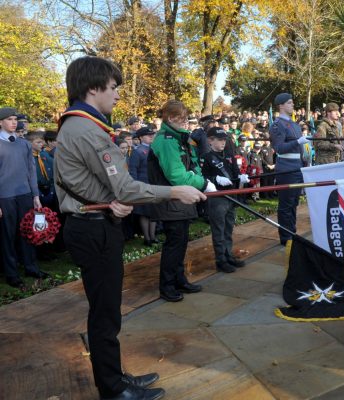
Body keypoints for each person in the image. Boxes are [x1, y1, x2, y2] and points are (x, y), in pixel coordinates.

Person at [54, 56, 205, 400]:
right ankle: (113, 389)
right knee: (105, 315)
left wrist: (109, 201)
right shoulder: (86, 129)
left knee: (107, 312)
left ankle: (116, 378)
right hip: (93, 231)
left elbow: (89, 184)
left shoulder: (80, 126)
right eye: (113, 88)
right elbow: (124, 186)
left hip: (95, 221)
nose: (117, 96)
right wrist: (174, 191)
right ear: (93, 88)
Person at [147, 100, 215, 303]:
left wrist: (200, 179)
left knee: (181, 242)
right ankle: (167, 286)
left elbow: (192, 165)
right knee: (174, 244)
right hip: (171, 199)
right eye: (182, 118)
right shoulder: (166, 140)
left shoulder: (178, 138)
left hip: (180, 199)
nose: (186, 122)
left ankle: (179, 279)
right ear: (170, 118)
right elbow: (176, 176)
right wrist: (203, 183)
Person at [0, 107, 48, 288]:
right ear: (0, 122)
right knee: (8, 235)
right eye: (10, 119)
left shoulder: (24, 144)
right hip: (4, 197)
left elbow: (31, 171)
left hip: (25, 195)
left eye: (15, 119)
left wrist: (35, 195)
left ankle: (31, 266)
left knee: (28, 232)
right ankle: (11, 273)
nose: (14, 122)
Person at [201, 127, 250, 272]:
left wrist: (241, 177)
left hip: (231, 196)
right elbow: (201, 177)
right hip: (217, 198)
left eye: (224, 140)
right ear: (210, 140)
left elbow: (235, 172)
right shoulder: (206, 157)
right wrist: (215, 178)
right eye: (220, 140)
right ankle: (220, 260)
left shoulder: (229, 155)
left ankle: (228, 255)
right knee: (219, 230)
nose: (223, 142)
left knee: (228, 229)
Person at [269, 93, 307, 245]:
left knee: (294, 204)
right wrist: (297, 141)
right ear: (281, 106)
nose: (293, 105)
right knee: (286, 205)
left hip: (297, 167)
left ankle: (292, 232)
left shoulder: (294, 124)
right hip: (286, 169)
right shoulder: (277, 125)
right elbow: (279, 148)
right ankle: (286, 237)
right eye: (289, 103)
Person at [129, 127, 159, 246]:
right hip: (142, 184)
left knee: (154, 211)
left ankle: (153, 236)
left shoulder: (155, 149)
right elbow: (133, 170)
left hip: (154, 184)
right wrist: (136, 186)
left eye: (152, 134)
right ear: (141, 138)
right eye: (148, 135)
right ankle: (147, 238)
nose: (151, 136)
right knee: (144, 212)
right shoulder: (137, 151)